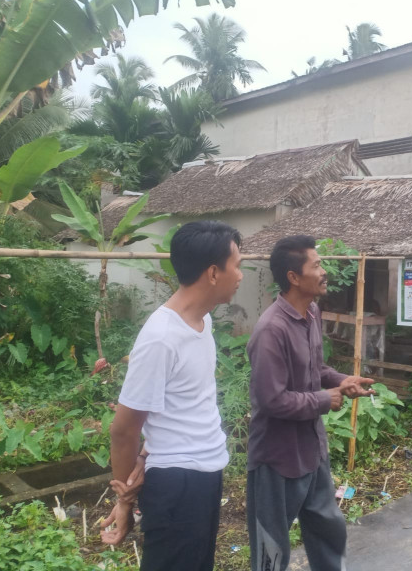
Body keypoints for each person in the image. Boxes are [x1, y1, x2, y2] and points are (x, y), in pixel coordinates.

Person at [100, 221, 244, 571]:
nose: (240, 275)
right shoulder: (161, 337)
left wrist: (146, 454)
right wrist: (125, 499)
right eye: (236, 265)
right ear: (213, 272)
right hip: (177, 485)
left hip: (206, 474)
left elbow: (183, 405)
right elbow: (123, 429)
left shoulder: (202, 321)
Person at [246, 235, 376, 571]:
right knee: (271, 548)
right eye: (316, 265)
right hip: (276, 456)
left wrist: (341, 381)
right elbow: (271, 400)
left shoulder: (312, 313)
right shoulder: (271, 331)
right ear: (293, 277)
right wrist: (324, 399)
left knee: (328, 529)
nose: (324, 271)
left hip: (311, 449)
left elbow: (315, 369)